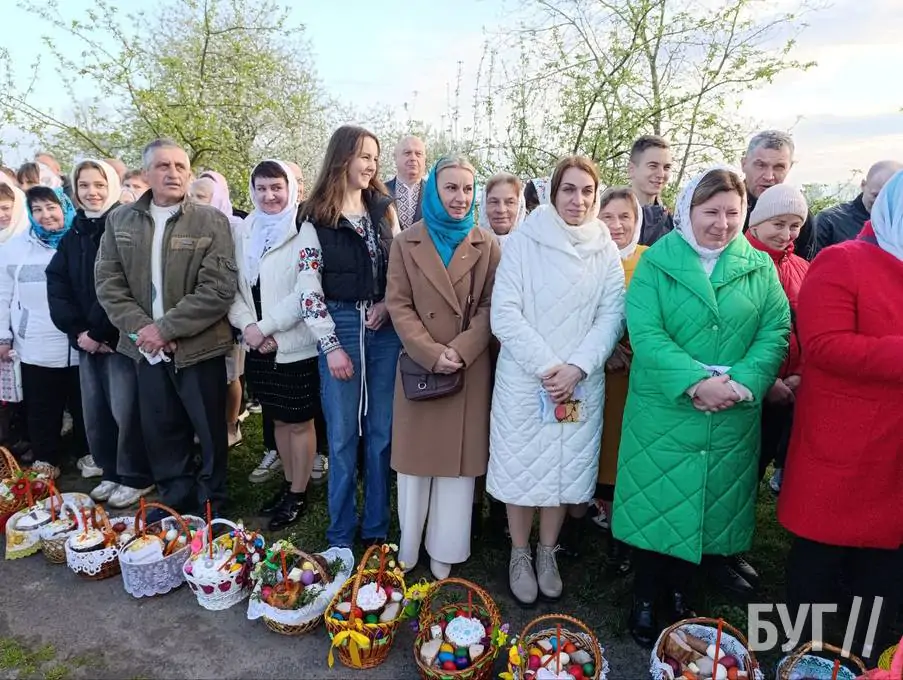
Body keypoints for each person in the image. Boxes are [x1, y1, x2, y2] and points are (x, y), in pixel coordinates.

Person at [611, 166, 790, 646]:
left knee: (707, 505)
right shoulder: (658, 262)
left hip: (730, 410)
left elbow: (775, 330)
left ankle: (680, 594)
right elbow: (646, 332)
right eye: (711, 212)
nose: (722, 223)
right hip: (666, 409)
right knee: (659, 502)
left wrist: (742, 383)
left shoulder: (758, 267)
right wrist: (695, 383)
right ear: (688, 211)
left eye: (732, 212)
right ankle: (645, 596)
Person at [488, 155, 626, 605]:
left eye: (587, 191)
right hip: (529, 380)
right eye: (569, 189)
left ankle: (547, 553)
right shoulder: (524, 241)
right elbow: (505, 313)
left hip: (578, 383)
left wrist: (577, 368)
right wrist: (550, 368)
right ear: (552, 193)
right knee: (521, 465)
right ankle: (519, 552)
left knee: (563, 467)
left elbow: (611, 316)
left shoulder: (604, 247)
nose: (578, 199)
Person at [779, 170, 903, 660]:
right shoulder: (842, 260)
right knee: (819, 556)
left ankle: (862, 655)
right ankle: (799, 653)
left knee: (883, 562)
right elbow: (825, 345)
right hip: (845, 441)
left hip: (894, 448)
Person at [96, 138, 238, 516]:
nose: (173, 173)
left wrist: (167, 329)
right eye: (163, 166)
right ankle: (175, 499)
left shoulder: (210, 220)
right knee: (161, 429)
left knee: (208, 430)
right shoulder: (120, 220)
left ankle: (212, 505)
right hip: (147, 348)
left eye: (180, 166)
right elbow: (109, 284)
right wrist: (145, 331)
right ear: (146, 174)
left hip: (199, 347)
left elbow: (218, 288)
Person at [386, 156, 501, 579]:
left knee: (457, 471)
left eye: (468, 189)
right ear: (434, 190)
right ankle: (410, 543)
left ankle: (445, 547)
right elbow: (399, 304)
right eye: (451, 188)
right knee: (416, 463)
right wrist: (431, 353)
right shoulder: (406, 242)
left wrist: (462, 349)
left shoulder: (487, 244)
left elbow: (490, 306)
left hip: (467, 367)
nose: (460, 197)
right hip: (421, 366)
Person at [297, 125, 399, 549]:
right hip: (339, 325)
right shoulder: (314, 216)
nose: (371, 164)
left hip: (382, 331)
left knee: (381, 433)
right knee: (341, 438)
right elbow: (308, 287)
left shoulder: (384, 210)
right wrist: (331, 345)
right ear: (342, 158)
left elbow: (400, 271)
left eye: (375, 157)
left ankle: (375, 528)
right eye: (363, 156)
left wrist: (388, 303)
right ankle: (340, 533)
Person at [46, 159, 154, 507]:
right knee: (96, 411)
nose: (91, 192)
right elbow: (57, 284)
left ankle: (136, 475)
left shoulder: (124, 225)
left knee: (126, 410)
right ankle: (111, 471)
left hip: (117, 340)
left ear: (112, 186)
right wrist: (78, 331)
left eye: (99, 185)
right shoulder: (75, 232)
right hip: (86, 342)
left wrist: (99, 331)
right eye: (84, 185)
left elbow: (123, 286)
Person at [229, 160, 320, 531]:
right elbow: (234, 287)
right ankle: (288, 483)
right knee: (278, 418)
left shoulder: (304, 228)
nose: (269, 196)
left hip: (294, 345)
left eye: (276, 187)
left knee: (299, 421)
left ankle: (299, 492)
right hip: (257, 344)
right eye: (262, 188)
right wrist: (249, 328)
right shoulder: (245, 230)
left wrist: (266, 328)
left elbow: (306, 291)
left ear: (290, 189)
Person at [0, 186, 86, 479]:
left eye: (51, 207)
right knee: (41, 404)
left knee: (83, 403)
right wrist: (3, 335)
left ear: (65, 208)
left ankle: (86, 452)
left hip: (78, 339)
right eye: (37, 209)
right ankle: (46, 457)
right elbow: (3, 295)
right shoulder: (15, 248)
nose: (45, 215)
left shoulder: (81, 240)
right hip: (35, 341)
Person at [593, 187, 648, 576]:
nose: (616, 225)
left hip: (638, 374)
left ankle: (626, 532)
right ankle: (599, 522)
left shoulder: (650, 261)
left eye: (624, 216)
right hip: (599, 372)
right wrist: (606, 348)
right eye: (607, 217)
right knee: (602, 449)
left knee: (630, 451)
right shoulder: (588, 258)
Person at [744, 184, 810, 495]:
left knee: (764, 454)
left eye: (794, 225)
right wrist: (765, 380)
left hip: (789, 388)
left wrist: (801, 373)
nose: (786, 234)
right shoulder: (737, 263)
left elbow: (813, 327)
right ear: (757, 222)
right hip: (746, 386)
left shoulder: (803, 269)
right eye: (778, 224)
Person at [188, 172, 245, 448]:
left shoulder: (234, 227)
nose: (194, 201)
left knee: (230, 374)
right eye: (192, 196)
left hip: (228, 315)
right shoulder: (185, 226)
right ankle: (205, 427)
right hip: (195, 316)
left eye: (201, 196)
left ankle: (231, 424)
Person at [741, 130, 817, 260]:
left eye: (779, 167)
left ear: (790, 167)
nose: (769, 176)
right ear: (744, 164)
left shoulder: (798, 216)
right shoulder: (724, 209)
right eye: (760, 165)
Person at [816, 160, 903, 251]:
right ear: (863, 185)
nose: (881, 204)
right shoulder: (829, 222)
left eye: (891, 199)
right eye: (875, 195)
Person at [627, 135, 674, 245]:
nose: (661, 174)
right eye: (653, 166)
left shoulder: (673, 225)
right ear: (631, 169)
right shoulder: (607, 215)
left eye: (666, 167)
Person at [386, 136, 427, 230]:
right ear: (395, 158)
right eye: (407, 153)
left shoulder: (436, 193)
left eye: (418, 154)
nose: (413, 158)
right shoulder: (380, 192)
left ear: (424, 159)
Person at [478, 172, 526, 248]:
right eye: (494, 202)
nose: (501, 210)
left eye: (510, 202)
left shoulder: (533, 250)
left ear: (520, 207)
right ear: (484, 206)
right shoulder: (468, 246)